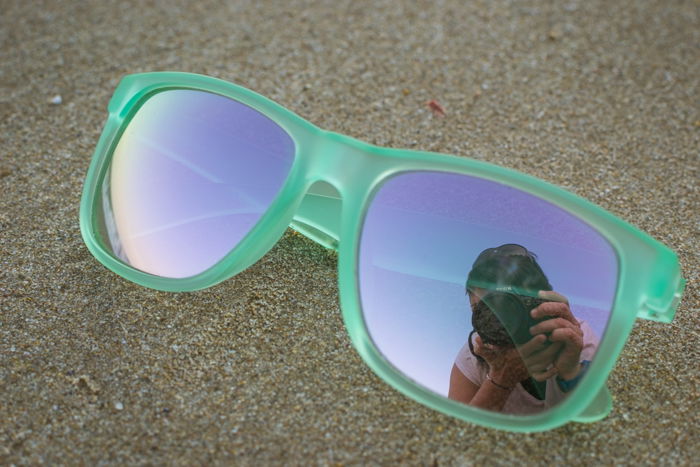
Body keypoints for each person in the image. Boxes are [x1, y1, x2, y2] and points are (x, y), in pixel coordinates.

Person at [447, 244, 598, 415]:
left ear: (538, 300)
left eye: (505, 306)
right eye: (480, 310)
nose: (493, 319)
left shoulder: (571, 336)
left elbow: (596, 425)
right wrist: (501, 377)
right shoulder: (474, 354)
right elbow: (458, 431)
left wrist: (571, 371)